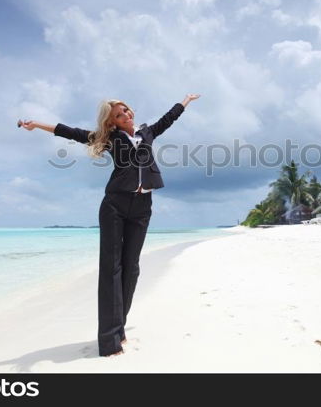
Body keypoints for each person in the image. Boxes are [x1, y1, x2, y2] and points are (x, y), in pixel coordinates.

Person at [19, 94, 200, 356]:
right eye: (118, 114)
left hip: (142, 208)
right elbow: (72, 132)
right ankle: (109, 341)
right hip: (114, 205)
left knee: (132, 269)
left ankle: (120, 328)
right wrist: (37, 125)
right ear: (112, 122)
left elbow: (169, 118)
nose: (125, 115)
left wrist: (186, 101)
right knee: (111, 270)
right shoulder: (110, 139)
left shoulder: (148, 132)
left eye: (126, 110)